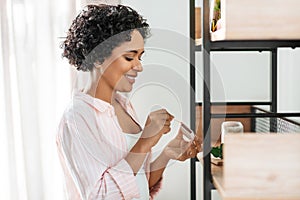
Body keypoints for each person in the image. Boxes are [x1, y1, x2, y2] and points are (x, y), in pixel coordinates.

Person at [57, 4, 201, 200]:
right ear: (99, 58)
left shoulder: (124, 106)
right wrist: (145, 141)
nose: (139, 66)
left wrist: (168, 153)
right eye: (129, 57)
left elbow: (137, 185)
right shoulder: (77, 118)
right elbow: (101, 196)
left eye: (140, 57)